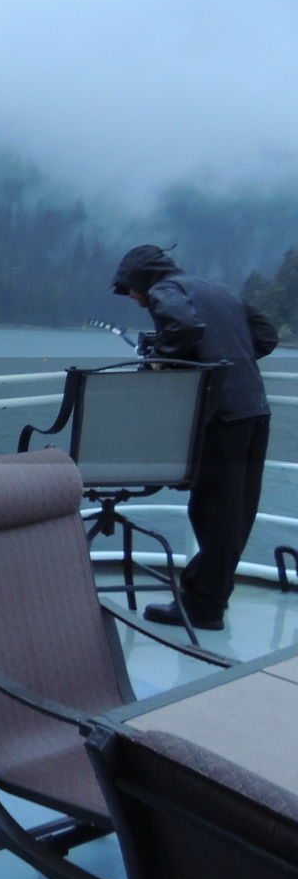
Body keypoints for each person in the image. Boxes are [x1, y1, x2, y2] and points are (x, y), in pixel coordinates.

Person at [111, 244, 278, 630]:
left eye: (129, 289)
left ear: (141, 278)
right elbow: (265, 337)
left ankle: (203, 608)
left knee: (212, 511)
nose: (133, 299)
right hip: (254, 408)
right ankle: (212, 595)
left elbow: (184, 328)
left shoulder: (163, 291)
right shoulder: (219, 290)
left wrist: (161, 361)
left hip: (221, 414)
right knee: (238, 511)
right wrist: (225, 356)